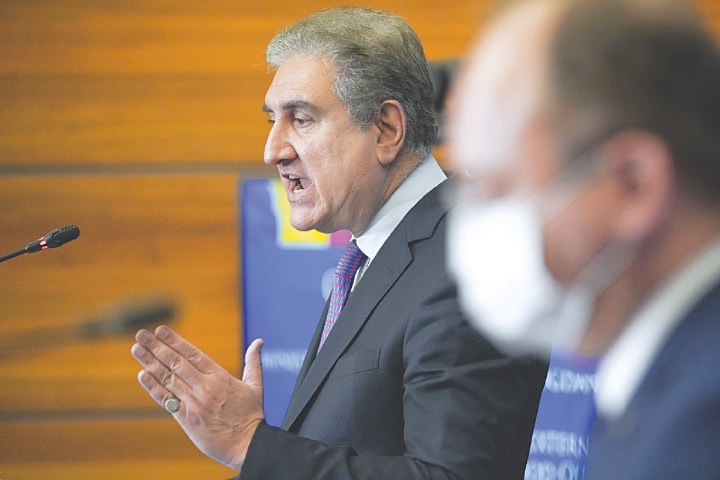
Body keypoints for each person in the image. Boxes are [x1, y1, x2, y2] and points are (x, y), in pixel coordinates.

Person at [131, 6, 548, 479]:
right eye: (272, 119)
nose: (272, 150)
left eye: (301, 119)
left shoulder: (467, 263)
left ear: (386, 130)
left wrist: (252, 445)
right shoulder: (373, 257)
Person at [445, 0, 720, 478]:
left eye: (494, 188)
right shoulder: (664, 380)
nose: (474, 225)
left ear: (633, 184)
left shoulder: (700, 430)